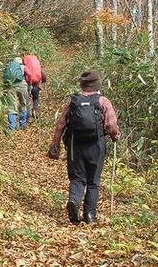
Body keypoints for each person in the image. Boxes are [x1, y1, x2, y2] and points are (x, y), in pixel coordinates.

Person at [49, 69, 120, 224]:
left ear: (82, 84)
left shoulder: (73, 101)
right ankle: (89, 215)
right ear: (97, 84)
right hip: (96, 145)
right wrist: (115, 136)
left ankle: (74, 201)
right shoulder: (103, 101)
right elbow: (111, 125)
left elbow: (61, 124)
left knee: (77, 178)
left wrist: (55, 145)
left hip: (76, 146)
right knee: (93, 181)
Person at [3, 57, 28, 130]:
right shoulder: (23, 67)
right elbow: (29, 74)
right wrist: (29, 83)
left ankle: (12, 126)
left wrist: (5, 89)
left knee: (11, 106)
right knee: (23, 103)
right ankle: (22, 124)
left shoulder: (9, 67)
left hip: (11, 86)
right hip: (22, 85)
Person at [23, 54, 47, 120]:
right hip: (36, 84)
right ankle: (35, 110)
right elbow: (44, 76)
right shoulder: (38, 66)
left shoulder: (25, 65)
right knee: (36, 98)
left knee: (27, 99)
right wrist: (43, 81)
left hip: (27, 84)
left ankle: (28, 115)